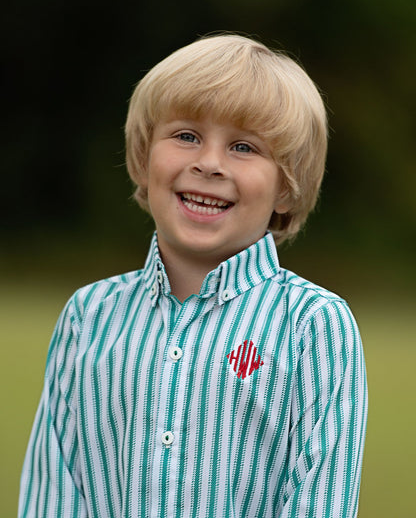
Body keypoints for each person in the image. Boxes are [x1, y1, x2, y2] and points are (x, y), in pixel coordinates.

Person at [19, 34, 367, 518]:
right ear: (143, 158)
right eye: (186, 136)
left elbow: (320, 500)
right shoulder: (88, 317)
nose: (208, 163)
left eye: (244, 146)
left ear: (286, 188)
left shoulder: (314, 326)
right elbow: (52, 495)